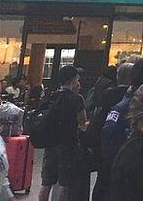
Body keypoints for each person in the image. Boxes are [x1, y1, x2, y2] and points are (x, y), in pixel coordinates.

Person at [38, 65, 88, 201]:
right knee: (64, 184)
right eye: (77, 79)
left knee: (46, 183)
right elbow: (82, 123)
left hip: (51, 144)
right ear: (73, 81)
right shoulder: (77, 99)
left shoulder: (52, 96)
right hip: (68, 145)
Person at [88, 60, 134, 201]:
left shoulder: (107, 94)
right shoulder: (132, 98)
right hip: (121, 148)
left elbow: (97, 118)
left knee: (102, 182)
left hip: (104, 148)